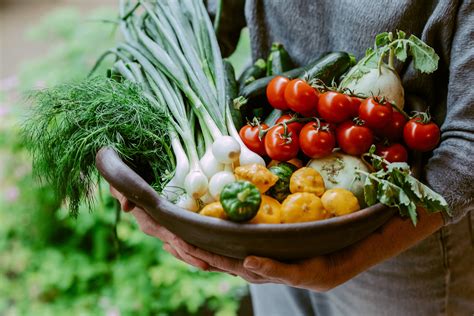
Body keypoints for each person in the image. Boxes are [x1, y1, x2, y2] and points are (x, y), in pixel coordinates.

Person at [110, 0, 474, 315]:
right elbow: (198, 23)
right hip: (270, 201)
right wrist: (128, 165)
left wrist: (349, 260)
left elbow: (468, 145)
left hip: (402, 229)